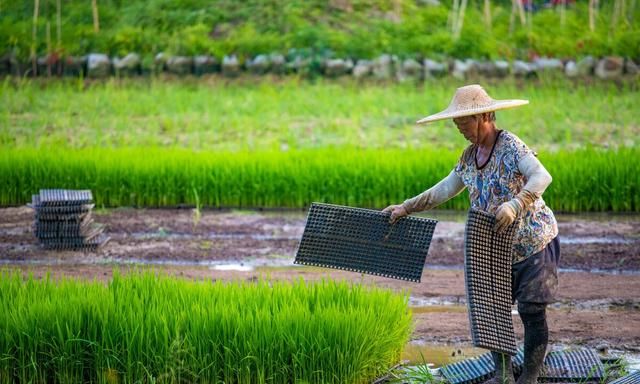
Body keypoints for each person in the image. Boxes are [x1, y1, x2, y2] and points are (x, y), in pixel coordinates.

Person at [383, 84, 559, 384]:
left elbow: (542, 176)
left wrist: (516, 204)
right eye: (457, 124)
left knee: (531, 308)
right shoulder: (468, 157)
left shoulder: (511, 146)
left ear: (485, 116)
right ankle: (503, 374)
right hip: (493, 247)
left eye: (465, 123)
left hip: (533, 242)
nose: (461, 129)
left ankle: (530, 375)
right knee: (492, 312)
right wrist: (407, 207)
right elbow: (445, 189)